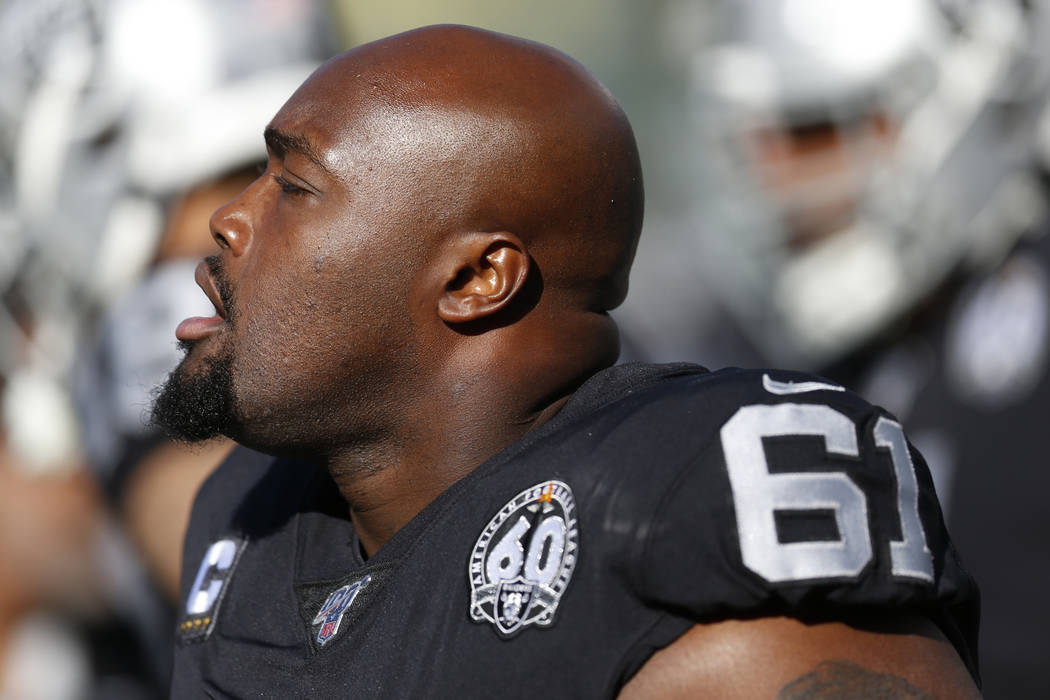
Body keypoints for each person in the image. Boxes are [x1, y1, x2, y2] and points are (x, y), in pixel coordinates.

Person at [155, 25, 980, 698]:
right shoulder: (250, 515)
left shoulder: (681, 520)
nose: (228, 220)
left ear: (478, 278)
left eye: (293, 186)